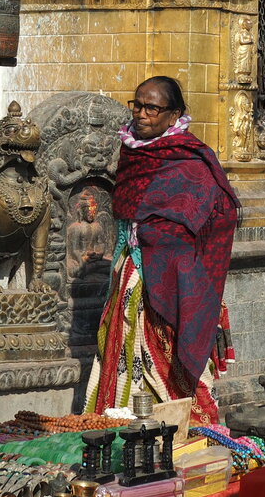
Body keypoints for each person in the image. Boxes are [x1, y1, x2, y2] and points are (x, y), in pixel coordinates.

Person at [85, 76, 239, 423]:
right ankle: (122, 416)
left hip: (173, 274)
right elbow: (128, 207)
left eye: (152, 108)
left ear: (174, 115)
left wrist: (170, 243)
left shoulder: (190, 159)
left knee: (167, 346)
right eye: (137, 105)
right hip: (131, 267)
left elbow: (222, 211)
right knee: (124, 338)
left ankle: (186, 422)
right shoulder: (132, 150)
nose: (141, 114)